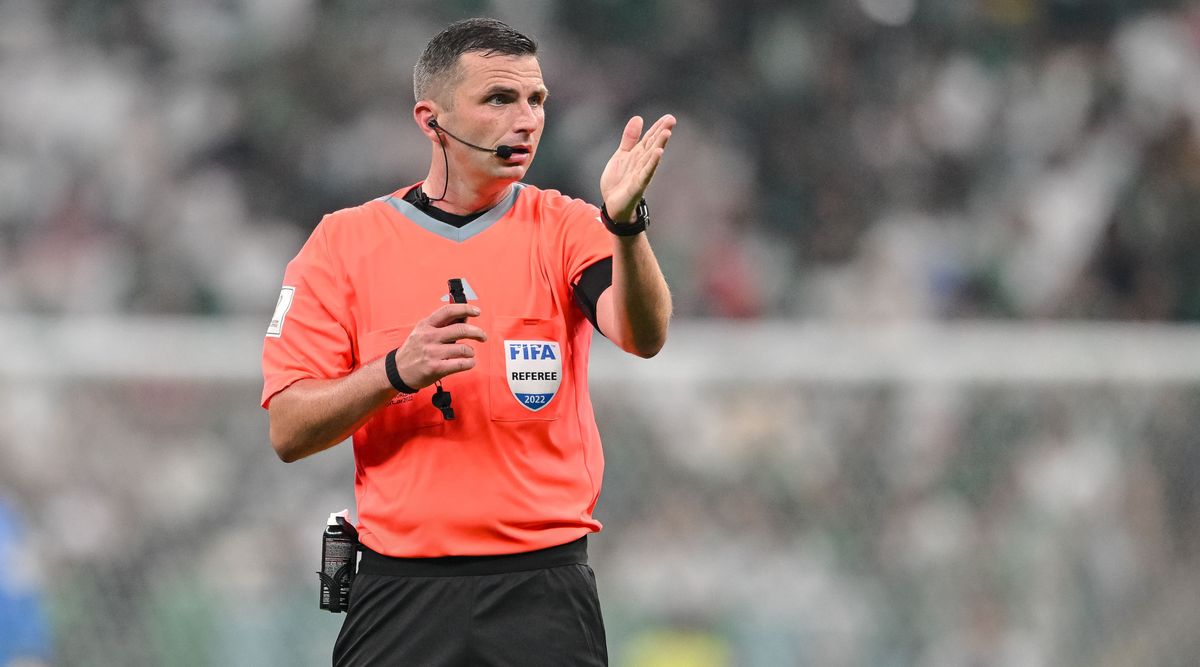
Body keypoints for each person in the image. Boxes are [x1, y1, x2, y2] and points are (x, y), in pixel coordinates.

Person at [261, 17, 675, 666]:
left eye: (537, 100)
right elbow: (288, 427)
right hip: (400, 589)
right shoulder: (342, 246)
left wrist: (626, 224)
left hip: (542, 590)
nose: (527, 119)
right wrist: (393, 372)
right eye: (499, 99)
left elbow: (643, 333)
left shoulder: (566, 227)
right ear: (432, 120)